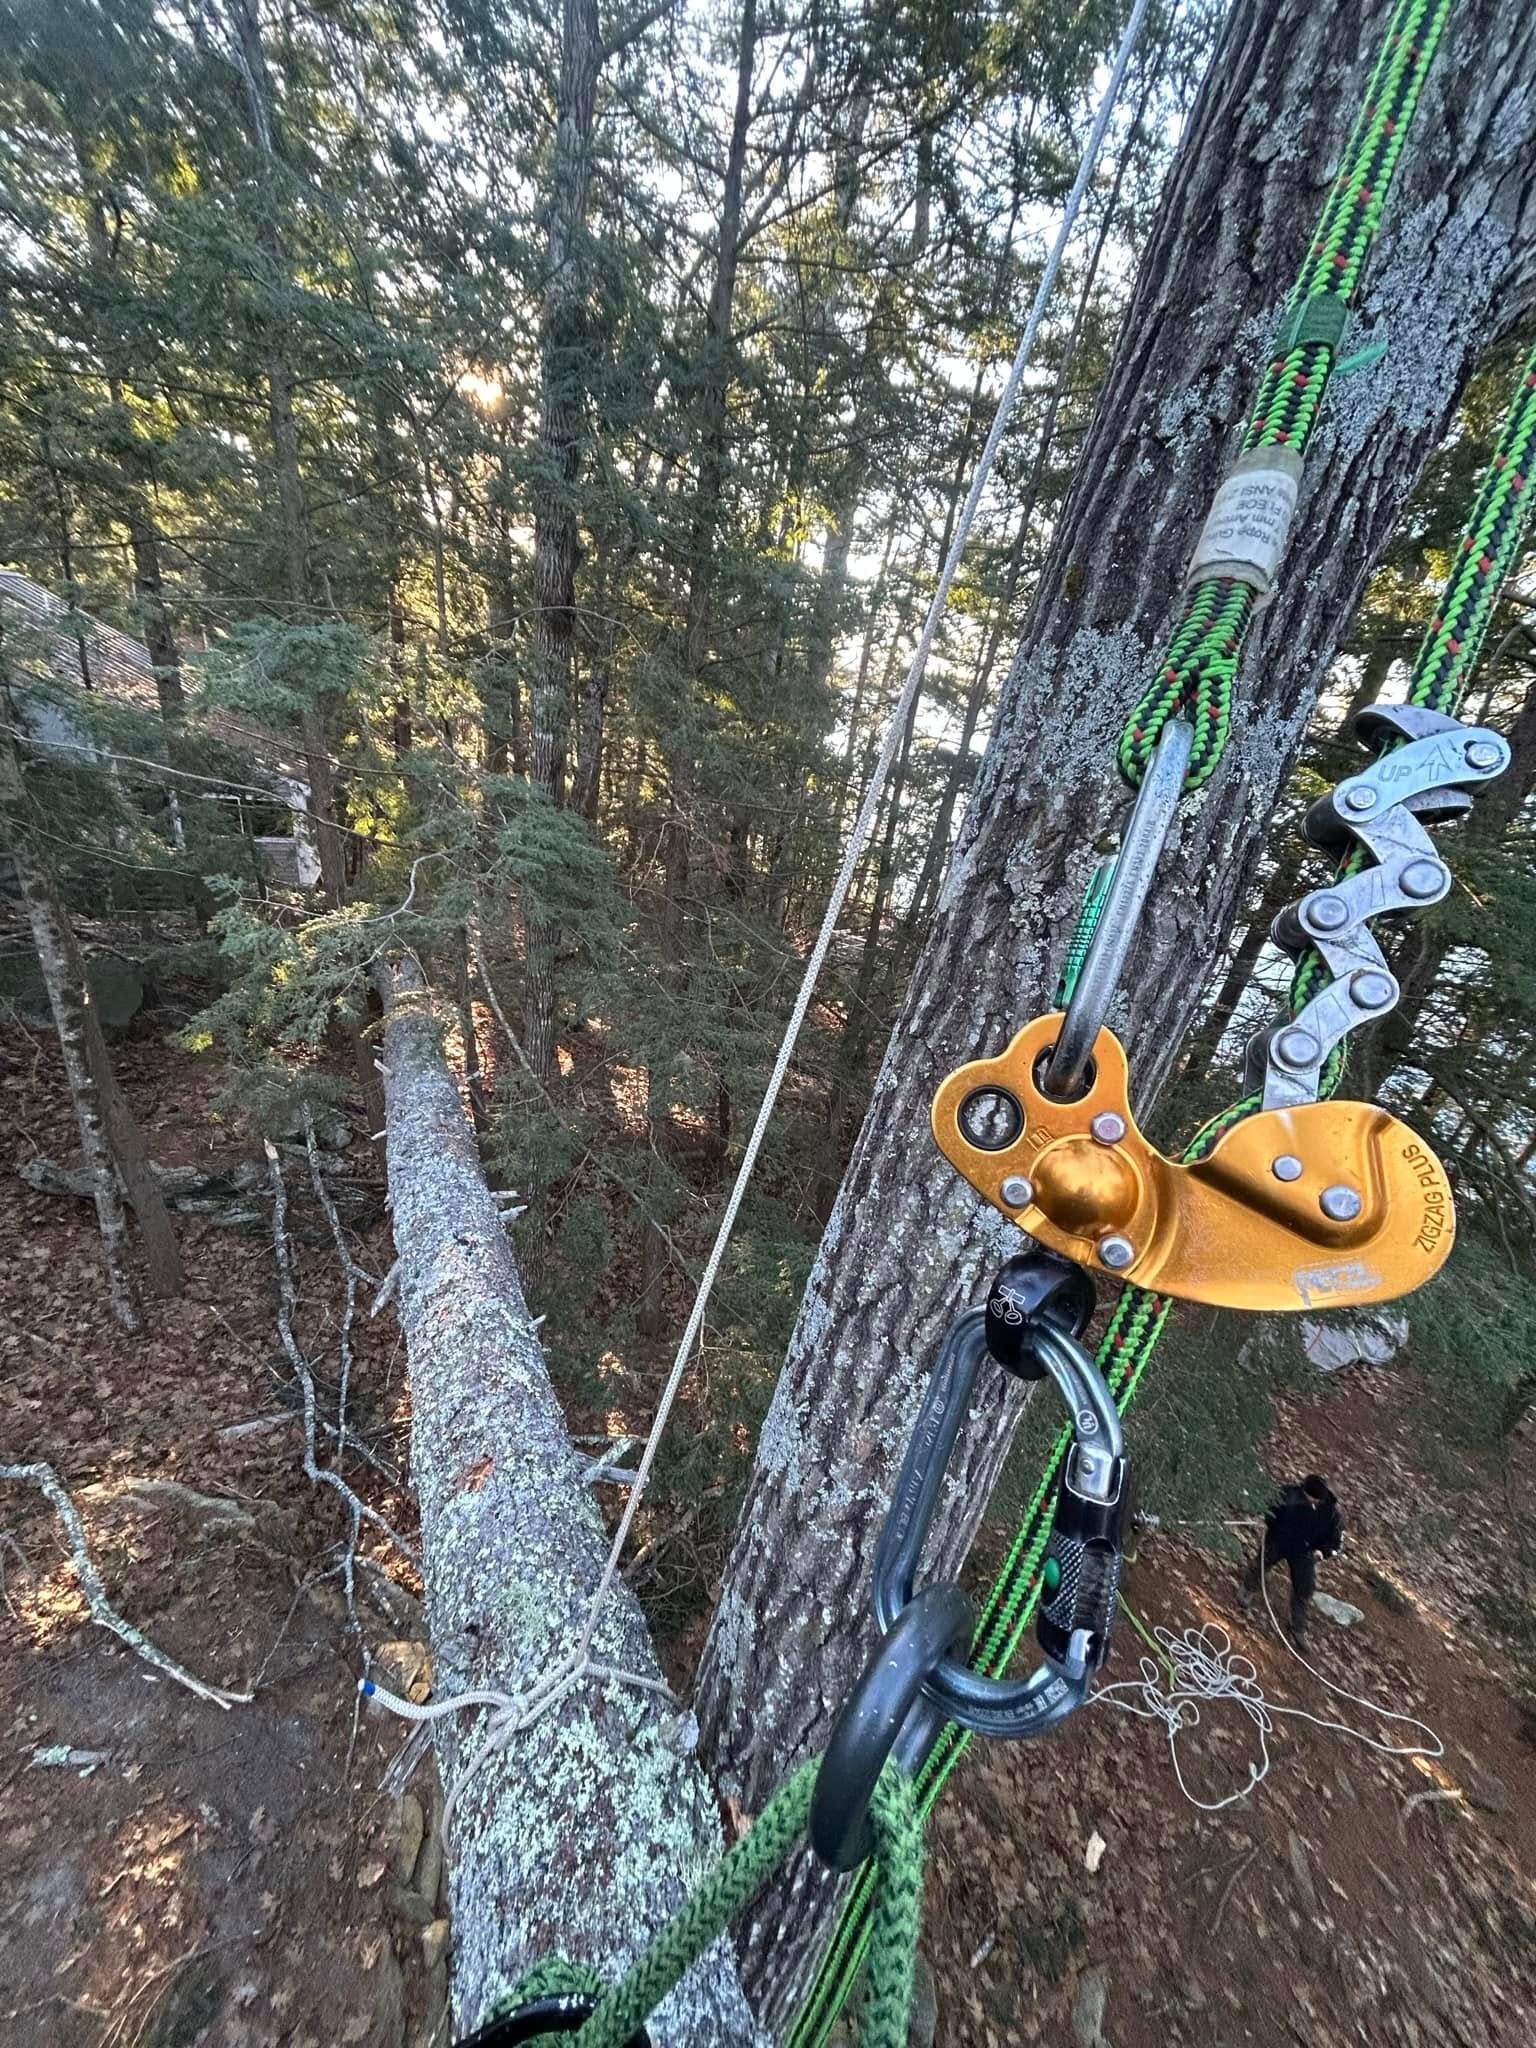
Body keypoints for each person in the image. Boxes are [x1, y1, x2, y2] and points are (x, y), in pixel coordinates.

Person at [1237, 1473, 1343, 1645]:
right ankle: (1248, 1589)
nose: (1312, 1503)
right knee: (1261, 1564)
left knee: (1304, 1588)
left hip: (1305, 1552)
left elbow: (1336, 1543)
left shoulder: (1332, 1514)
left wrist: (1322, 1552)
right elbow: (1269, 1508)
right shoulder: (1289, 1494)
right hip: (1279, 1540)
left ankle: (1297, 1627)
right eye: (1309, 1498)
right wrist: (1267, 1520)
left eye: (1316, 1501)